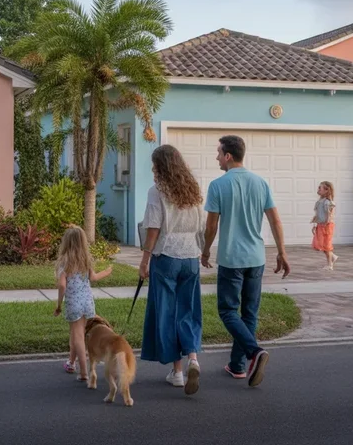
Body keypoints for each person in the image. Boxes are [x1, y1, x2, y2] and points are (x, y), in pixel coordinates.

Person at [202, 134, 290, 388]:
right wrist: (282, 252)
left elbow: (211, 226)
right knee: (249, 313)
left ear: (228, 156)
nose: (217, 157)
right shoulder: (260, 183)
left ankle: (254, 352)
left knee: (228, 311)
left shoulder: (218, 185)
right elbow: (275, 220)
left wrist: (206, 251)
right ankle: (238, 365)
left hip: (231, 259)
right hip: (256, 258)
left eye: (219, 153)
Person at [139, 144, 206, 395]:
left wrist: (144, 260)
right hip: (190, 257)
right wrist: (203, 251)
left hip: (166, 256)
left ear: (159, 166)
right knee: (187, 311)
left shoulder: (157, 192)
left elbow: (153, 228)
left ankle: (177, 373)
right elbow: (202, 226)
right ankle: (193, 358)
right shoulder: (193, 190)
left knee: (168, 313)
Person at [54, 225, 114, 381]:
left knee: (78, 336)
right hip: (88, 303)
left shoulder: (64, 263)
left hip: (74, 304)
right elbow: (93, 278)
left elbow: (61, 285)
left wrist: (59, 305)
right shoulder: (85, 261)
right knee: (77, 334)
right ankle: (71, 362)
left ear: (66, 243)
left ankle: (84, 373)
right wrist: (106, 272)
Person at [311, 181, 338, 270]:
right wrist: (315, 224)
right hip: (321, 225)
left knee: (326, 245)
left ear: (326, 190)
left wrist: (326, 224)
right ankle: (333, 257)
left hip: (326, 226)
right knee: (320, 244)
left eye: (320, 188)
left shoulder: (327, 202)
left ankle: (330, 265)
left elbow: (329, 214)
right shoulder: (320, 201)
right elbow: (318, 214)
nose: (318, 189)